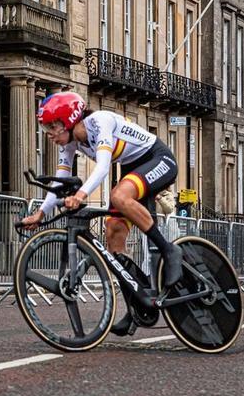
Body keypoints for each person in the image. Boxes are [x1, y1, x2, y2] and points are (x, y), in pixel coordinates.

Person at [19, 92, 181, 335]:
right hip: (133, 168)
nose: (49, 134)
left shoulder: (100, 121)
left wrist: (81, 195)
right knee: (113, 236)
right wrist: (41, 213)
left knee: (118, 196)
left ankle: (170, 250)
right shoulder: (71, 143)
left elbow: (104, 166)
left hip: (158, 159)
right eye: (46, 128)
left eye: (53, 126)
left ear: (70, 121)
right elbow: (60, 179)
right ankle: (137, 306)